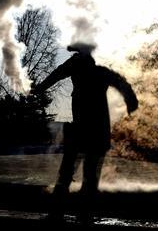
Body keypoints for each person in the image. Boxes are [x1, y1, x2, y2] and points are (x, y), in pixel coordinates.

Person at [30, 43, 138, 199]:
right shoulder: (98, 62)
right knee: (89, 153)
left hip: (86, 114)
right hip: (94, 115)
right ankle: (81, 190)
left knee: (79, 152)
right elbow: (120, 82)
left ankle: (67, 189)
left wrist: (40, 88)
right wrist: (131, 100)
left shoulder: (82, 61)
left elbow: (56, 74)